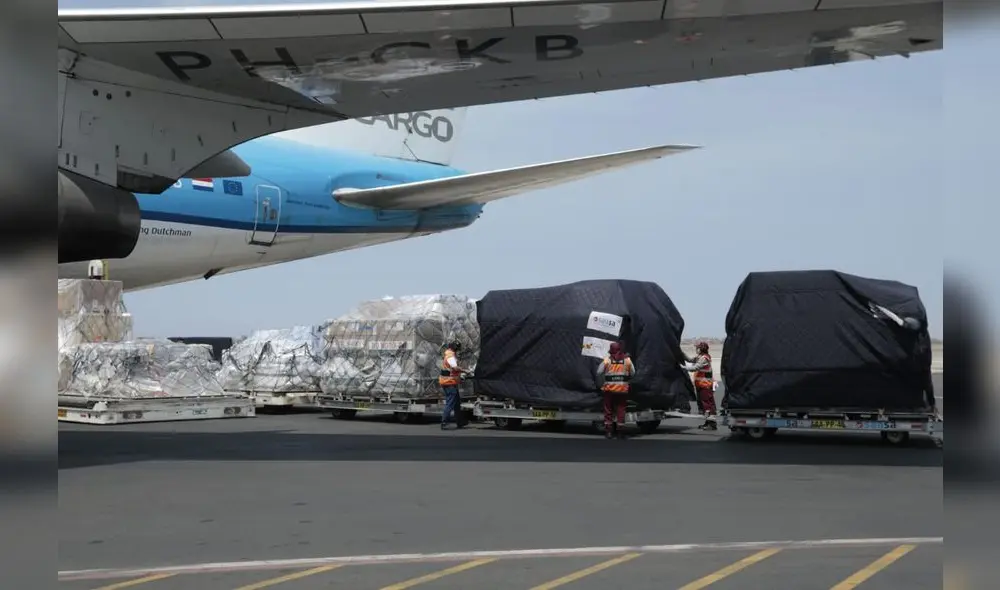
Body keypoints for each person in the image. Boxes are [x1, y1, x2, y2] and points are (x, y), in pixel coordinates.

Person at [596, 341, 636, 439]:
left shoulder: (607, 360)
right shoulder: (627, 360)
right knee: (621, 411)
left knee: (608, 410)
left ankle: (609, 432)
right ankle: (620, 432)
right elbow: (633, 373)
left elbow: (599, 372)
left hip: (609, 390)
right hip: (622, 390)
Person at [681, 341, 717, 430]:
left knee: (707, 405)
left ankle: (711, 424)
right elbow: (690, 360)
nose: (696, 349)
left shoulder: (704, 358)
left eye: (698, 348)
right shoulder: (699, 357)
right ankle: (708, 422)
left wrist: (683, 368)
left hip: (705, 386)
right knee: (704, 405)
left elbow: (695, 367)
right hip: (701, 385)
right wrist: (681, 353)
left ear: (702, 349)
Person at [439, 340, 467, 430]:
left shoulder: (449, 354)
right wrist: (464, 370)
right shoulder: (450, 356)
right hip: (449, 382)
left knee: (457, 403)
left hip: (451, 382)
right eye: (458, 349)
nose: (459, 351)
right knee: (450, 402)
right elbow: (455, 368)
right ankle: (444, 422)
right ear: (455, 348)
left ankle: (459, 422)